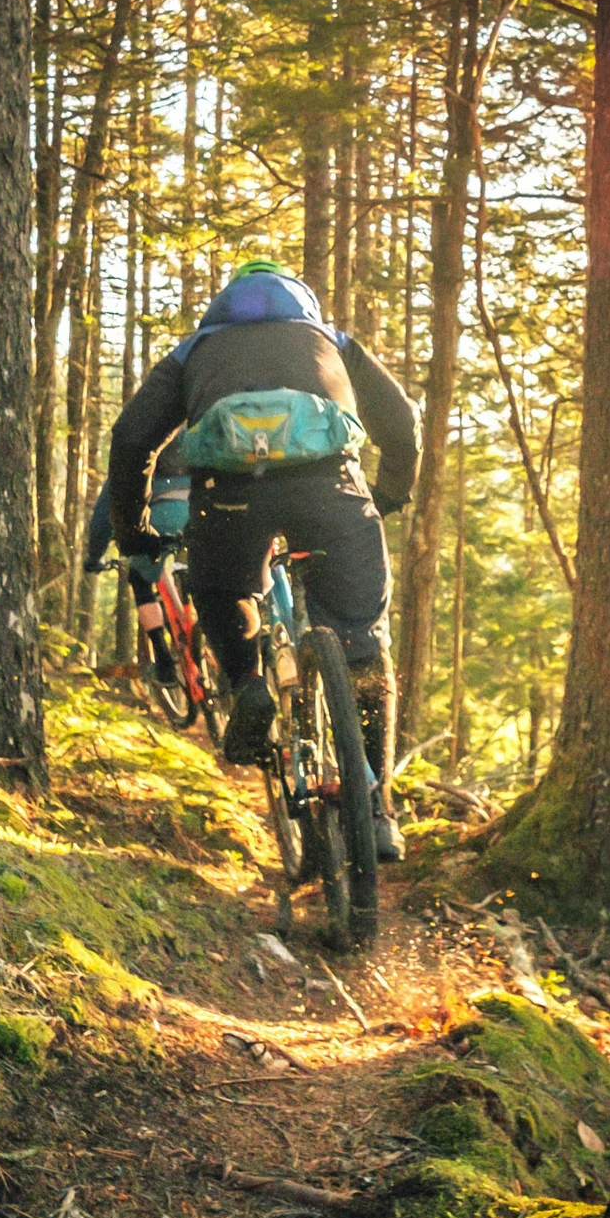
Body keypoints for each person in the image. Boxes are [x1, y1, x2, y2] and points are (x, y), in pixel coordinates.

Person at [105, 259, 419, 859]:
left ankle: (248, 684)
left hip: (230, 496)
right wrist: (388, 496)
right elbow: (401, 420)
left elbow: (131, 438)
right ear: (303, 303)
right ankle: (377, 808)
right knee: (364, 647)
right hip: (330, 489)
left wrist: (135, 533)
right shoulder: (331, 340)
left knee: (222, 590)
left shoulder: (196, 350)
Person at [83, 434, 192, 694]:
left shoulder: (134, 442)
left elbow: (102, 519)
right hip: (201, 510)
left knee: (139, 579)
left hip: (160, 519)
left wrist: (95, 557)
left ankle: (164, 662)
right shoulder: (191, 430)